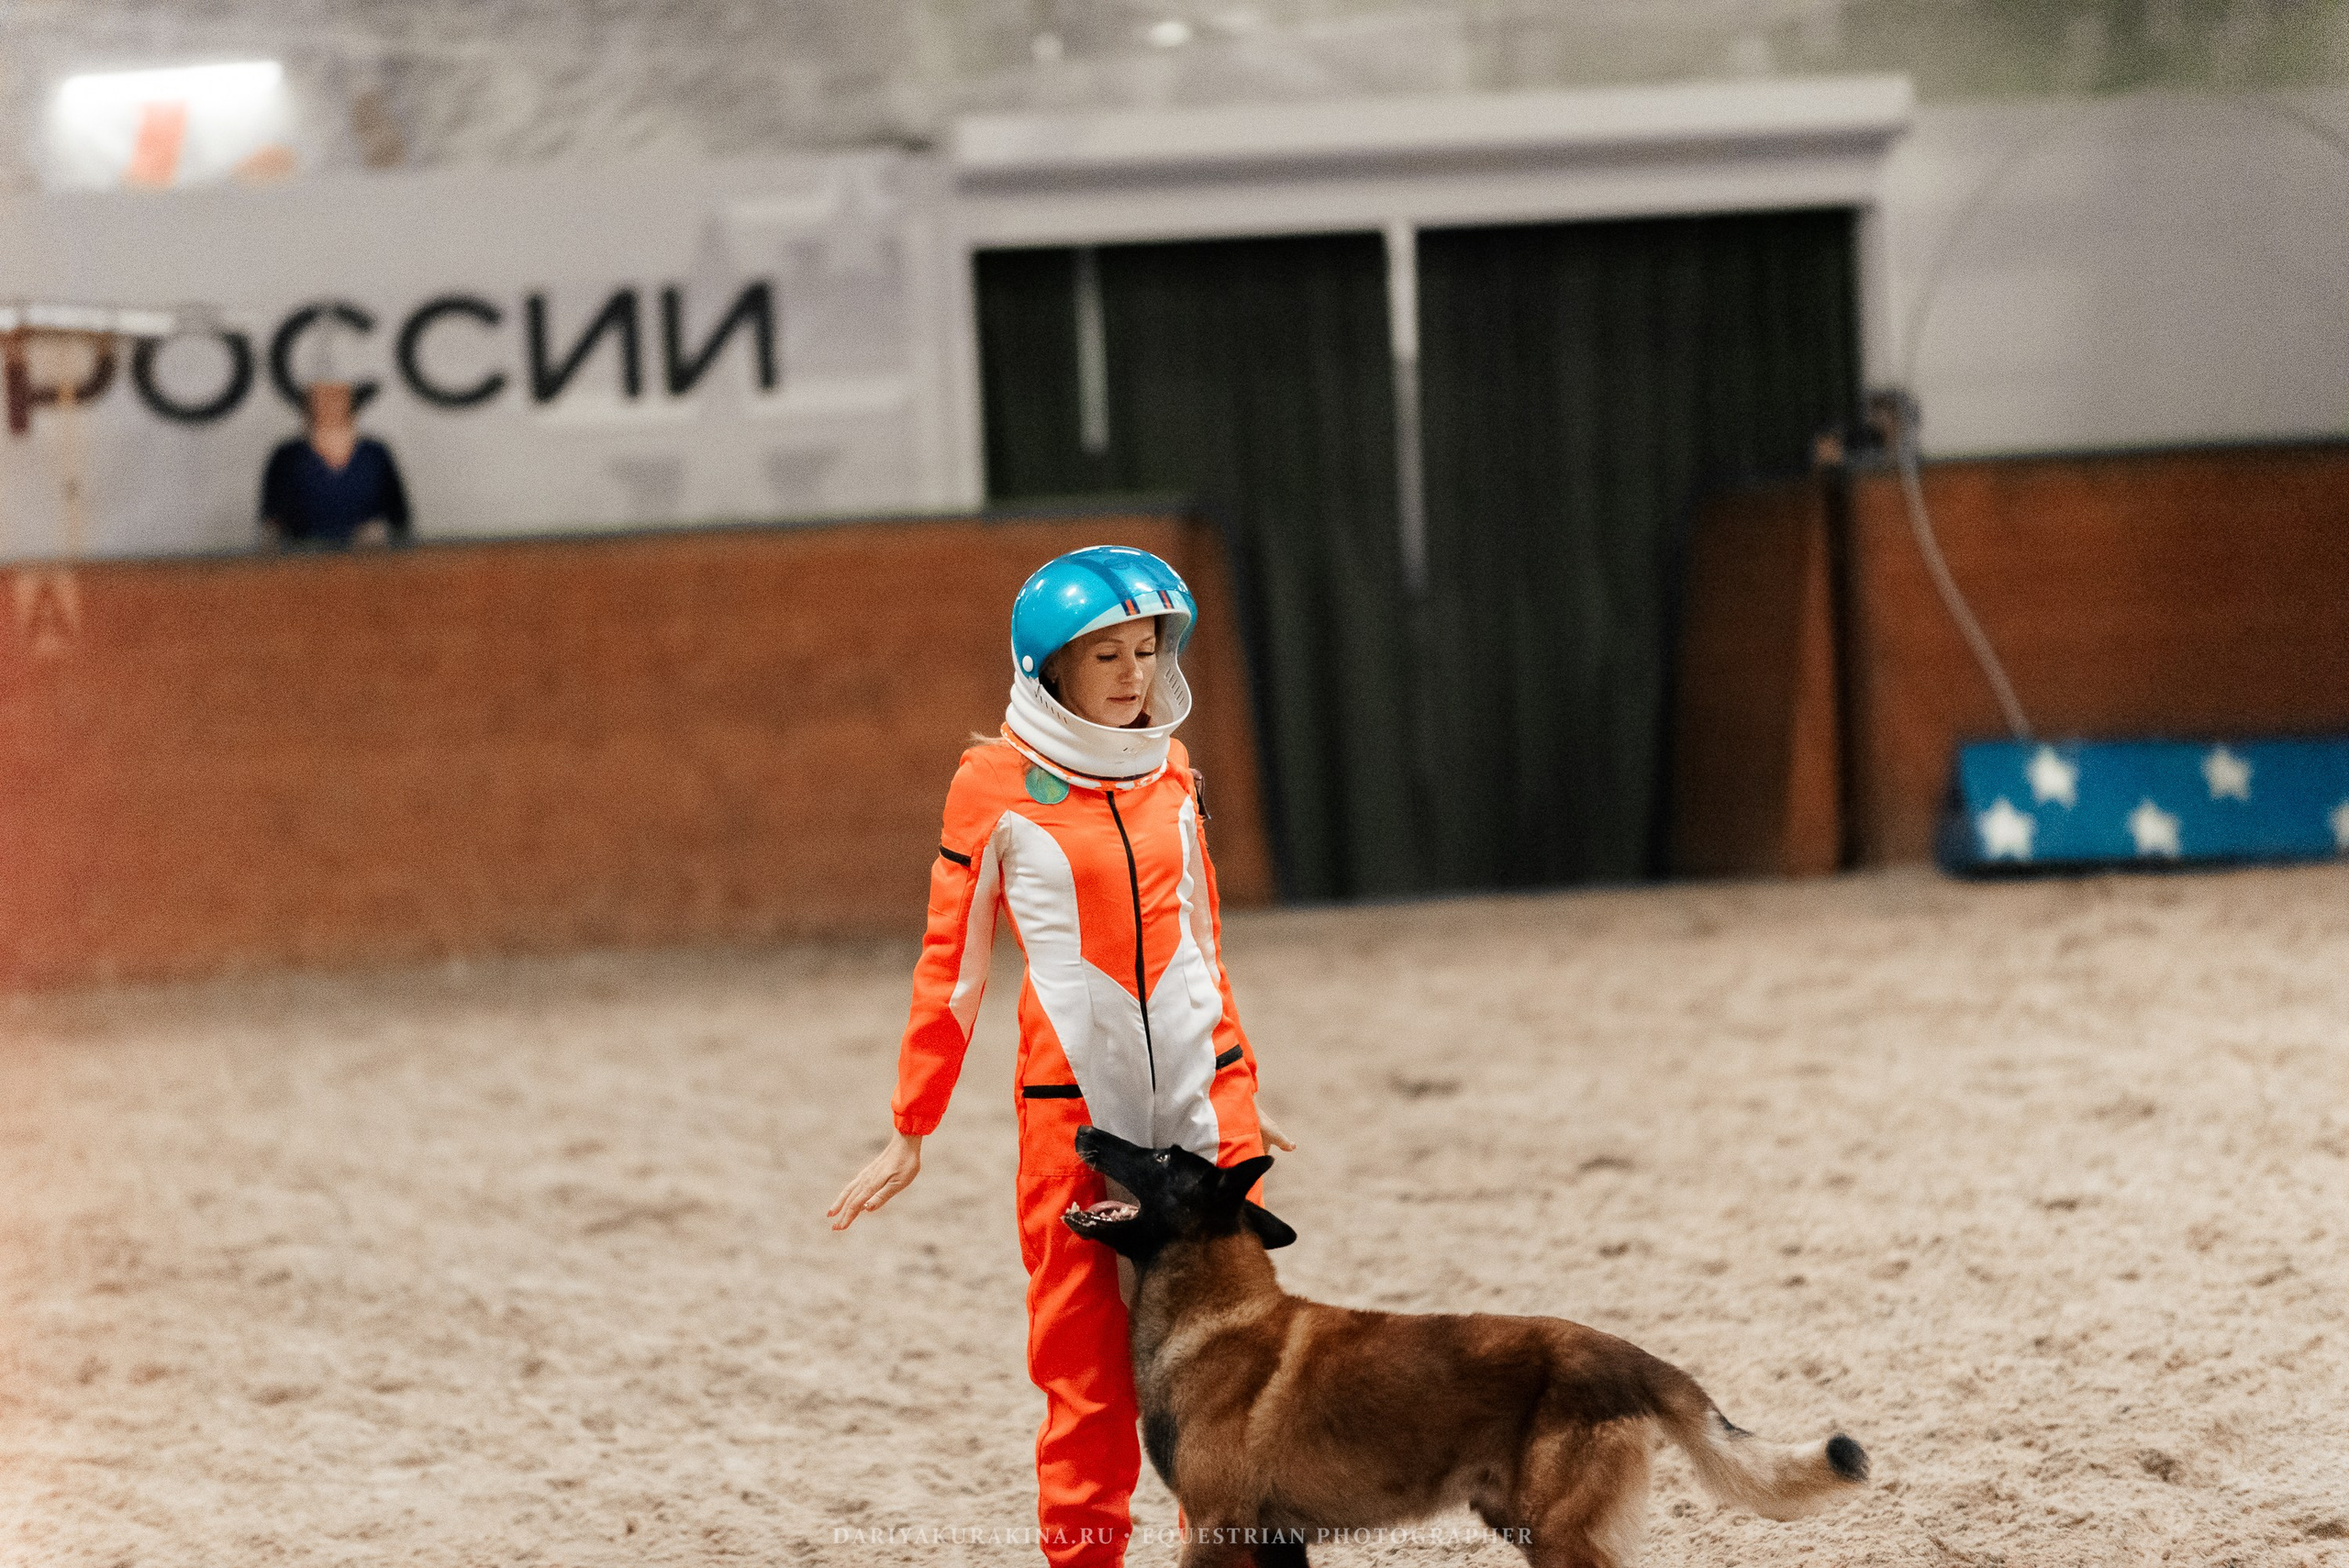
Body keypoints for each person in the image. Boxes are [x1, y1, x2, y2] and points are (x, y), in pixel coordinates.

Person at [829, 545, 1294, 1568]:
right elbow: (949, 969)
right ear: (1047, 666)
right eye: (1106, 655)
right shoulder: (989, 785)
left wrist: (1240, 1080)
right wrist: (913, 1123)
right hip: (1072, 1127)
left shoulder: (1172, 765)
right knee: (1085, 1376)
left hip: (1205, 1115)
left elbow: (1203, 943)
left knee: (1228, 1369)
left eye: (1146, 648)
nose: (1134, 674)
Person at [259, 381, 410, 547]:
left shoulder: (374, 454)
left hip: (369, 559)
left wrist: (382, 537)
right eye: (321, 399)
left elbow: (399, 519)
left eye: (337, 398)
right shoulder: (288, 456)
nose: (330, 406)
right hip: (304, 560)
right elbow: (271, 523)